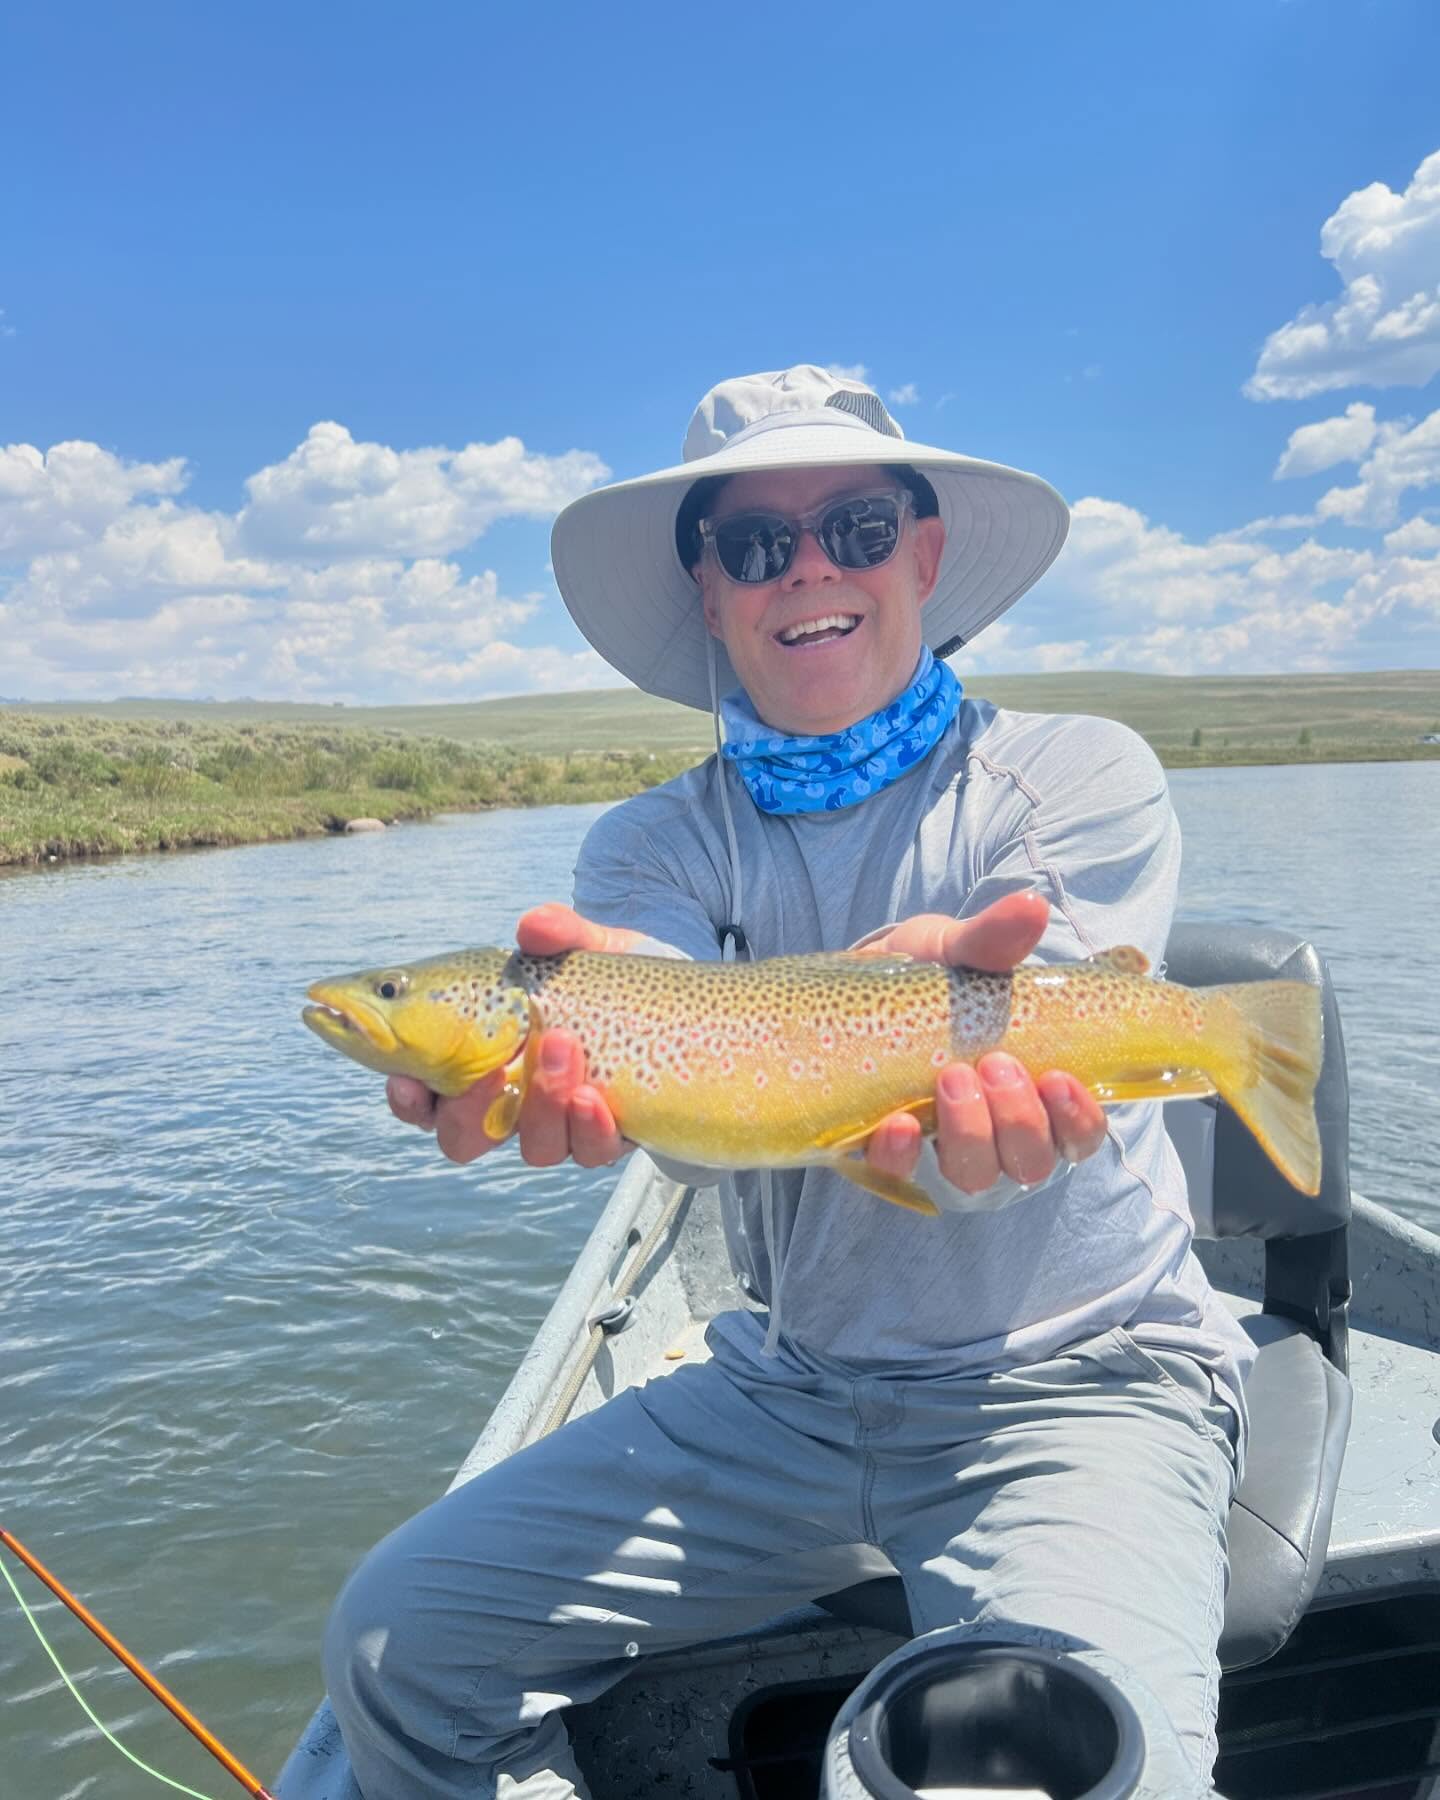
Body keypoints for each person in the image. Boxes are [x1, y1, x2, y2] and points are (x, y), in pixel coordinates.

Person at [307, 365, 1253, 1799]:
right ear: (710, 588)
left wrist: (948, 987)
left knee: (1091, 1774)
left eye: (857, 527)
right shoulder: (648, 849)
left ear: (925, 555)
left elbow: (1060, 1003)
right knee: (392, 1652)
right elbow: (680, 1084)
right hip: (790, 1392)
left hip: (1080, 1388)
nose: (808, 568)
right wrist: (611, 1039)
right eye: (756, 546)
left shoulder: (1076, 774)